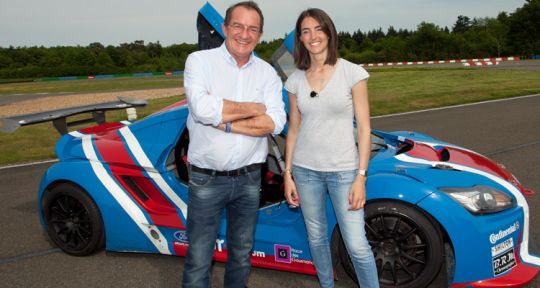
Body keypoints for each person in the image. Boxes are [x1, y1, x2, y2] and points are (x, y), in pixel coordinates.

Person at [181, 1, 286, 287]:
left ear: (260, 35)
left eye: (252, 28)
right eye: (238, 26)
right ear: (226, 28)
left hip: (249, 180)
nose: (244, 34)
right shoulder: (199, 61)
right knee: (199, 257)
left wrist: (227, 121)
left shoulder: (267, 73)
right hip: (207, 180)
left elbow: (275, 122)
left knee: (241, 254)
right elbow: (203, 110)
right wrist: (255, 107)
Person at [283, 8, 379, 288]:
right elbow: (294, 129)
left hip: (344, 172)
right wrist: (288, 173)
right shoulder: (295, 80)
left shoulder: (352, 73)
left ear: (329, 32)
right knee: (316, 237)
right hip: (305, 171)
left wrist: (361, 176)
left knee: (357, 245)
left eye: (318, 29)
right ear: (300, 38)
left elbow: (364, 128)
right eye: (305, 31)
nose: (313, 36)